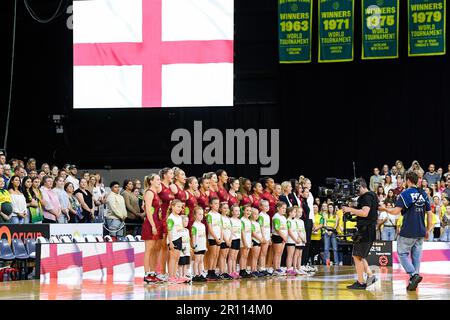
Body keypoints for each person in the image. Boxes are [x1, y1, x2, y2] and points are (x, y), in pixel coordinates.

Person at [379, 171, 433, 291]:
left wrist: (385, 209)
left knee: (402, 254)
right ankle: (413, 282)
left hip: (408, 230)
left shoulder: (405, 194)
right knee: (416, 257)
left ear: (408, 180)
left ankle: (414, 275)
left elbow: (396, 212)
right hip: (420, 231)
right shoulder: (423, 193)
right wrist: (428, 229)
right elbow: (429, 214)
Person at [342, 178, 378, 290]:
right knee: (359, 256)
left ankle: (361, 282)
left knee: (356, 256)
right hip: (368, 229)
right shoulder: (372, 195)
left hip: (365, 230)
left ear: (361, 186)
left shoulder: (367, 197)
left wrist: (349, 209)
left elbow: (364, 213)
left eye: (357, 189)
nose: (356, 192)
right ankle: (371, 276)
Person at [142, 174, 164, 284]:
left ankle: (153, 272)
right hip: (151, 224)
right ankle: (146, 274)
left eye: (160, 179)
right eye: (157, 180)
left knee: (156, 250)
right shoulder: (149, 192)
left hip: (158, 223)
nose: (159, 181)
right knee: (149, 250)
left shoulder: (155, 192)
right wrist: (153, 226)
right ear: (151, 181)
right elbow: (148, 211)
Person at [166, 199, 186, 284]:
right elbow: (169, 231)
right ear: (173, 207)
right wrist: (170, 242)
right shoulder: (171, 218)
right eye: (178, 206)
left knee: (177, 259)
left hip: (179, 239)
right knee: (173, 259)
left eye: (181, 207)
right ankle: (171, 277)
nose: (179, 208)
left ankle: (174, 276)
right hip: (173, 240)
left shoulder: (179, 217)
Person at [206, 197, 222, 280]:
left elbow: (220, 228)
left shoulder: (219, 215)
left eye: (218, 203)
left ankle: (214, 271)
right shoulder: (209, 215)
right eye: (215, 203)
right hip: (212, 237)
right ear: (211, 205)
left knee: (216, 255)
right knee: (212, 255)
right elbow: (210, 228)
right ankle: (210, 271)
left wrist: (221, 238)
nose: (217, 205)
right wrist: (216, 238)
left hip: (219, 238)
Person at [191, 207, 207, 282]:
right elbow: (193, 237)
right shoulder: (194, 226)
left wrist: (205, 246)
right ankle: (195, 275)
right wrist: (194, 246)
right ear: (195, 215)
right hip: (197, 246)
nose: (201, 216)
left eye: (202, 214)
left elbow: (204, 237)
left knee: (201, 261)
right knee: (196, 261)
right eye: (199, 214)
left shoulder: (203, 225)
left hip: (202, 246)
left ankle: (200, 274)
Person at [272, 201, 288, 276]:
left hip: (283, 237)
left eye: (285, 208)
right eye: (283, 208)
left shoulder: (283, 217)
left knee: (280, 254)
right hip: (278, 236)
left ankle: (278, 267)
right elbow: (277, 228)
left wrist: (285, 237)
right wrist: (284, 237)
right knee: (277, 253)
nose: (284, 210)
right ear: (278, 208)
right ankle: (275, 269)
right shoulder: (276, 216)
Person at [218, 202, 232, 280]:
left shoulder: (228, 218)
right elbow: (221, 230)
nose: (226, 209)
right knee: (222, 256)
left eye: (227, 208)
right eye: (224, 208)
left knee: (225, 256)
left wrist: (230, 240)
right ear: (220, 209)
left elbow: (231, 230)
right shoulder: (220, 218)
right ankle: (221, 272)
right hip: (223, 240)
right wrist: (226, 240)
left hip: (228, 240)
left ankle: (224, 271)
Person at [257, 200, 271, 276]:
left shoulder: (267, 216)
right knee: (262, 253)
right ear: (261, 207)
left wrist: (269, 237)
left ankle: (263, 267)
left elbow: (268, 227)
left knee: (264, 253)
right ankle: (261, 268)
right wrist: (263, 237)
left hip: (267, 236)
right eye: (265, 206)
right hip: (263, 237)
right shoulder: (261, 215)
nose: (267, 207)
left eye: (268, 205)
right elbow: (261, 227)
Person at [228, 205, 242, 279]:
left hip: (238, 239)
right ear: (232, 212)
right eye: (236, 211)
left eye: (239, 211)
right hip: (233, 239)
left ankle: (234, 271)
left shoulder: (239, 221)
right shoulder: (230, 220)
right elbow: (230, 231)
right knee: (231, 257)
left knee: (235, 257)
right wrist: (230, 240)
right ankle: (230, 272)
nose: (238, 212)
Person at [250, 207, 264, 277]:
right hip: (254, 240)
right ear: (251, 215)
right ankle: (253, 270)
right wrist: (260, 238)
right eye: (255, 214)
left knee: (257, 256)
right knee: (254, 257)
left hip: (259, 241)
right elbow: (253, 233)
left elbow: (259, 232)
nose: (257, 215)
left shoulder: (257, 223)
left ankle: (255, 269)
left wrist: (261, 238)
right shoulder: (251, 223)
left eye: (257, 214)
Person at [285, 207, 300, 275]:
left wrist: (297, 238)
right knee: (290, 255)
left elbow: (295, 231)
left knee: (292, 255)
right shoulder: (288, 221)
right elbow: (289, 231)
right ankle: (288, 269)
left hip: (293, 240)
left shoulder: (293, 221)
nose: (295, 213)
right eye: (294, 212)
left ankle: (290, 268)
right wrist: (295, 239)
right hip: (290, 240)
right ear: (290, 213)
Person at [239, 204, 253, 278]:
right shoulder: (242, 220)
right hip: (243, 241)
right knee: (243, 255)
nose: (248, 212)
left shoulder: (249, 220)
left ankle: (244, 269)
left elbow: (250, 233)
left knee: (246, 256)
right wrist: (245, 242)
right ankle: (242, 270)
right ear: (243, 211)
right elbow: (242, 232)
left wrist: (250, 241)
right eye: (247, 210)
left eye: (250, 211)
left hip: (248, 240)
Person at [178, 215, 192, 281]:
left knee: (186, 263)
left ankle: (184, 275)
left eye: (187, 221)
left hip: (187, 250)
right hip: (181, 250)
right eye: (185, 221)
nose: (187, 223)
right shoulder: (179, 231)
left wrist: (190, 248)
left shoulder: (187, 230)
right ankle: (180, 276)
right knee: (181, 263)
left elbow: (188, 240)